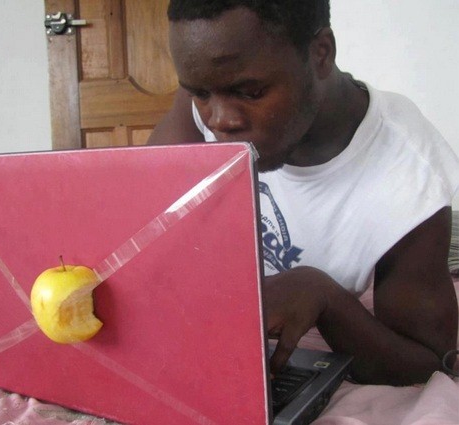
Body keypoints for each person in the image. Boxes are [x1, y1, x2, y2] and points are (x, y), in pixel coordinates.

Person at [148, 0, 459, 385]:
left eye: (250, 92)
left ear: (321, 53)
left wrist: (323, 297)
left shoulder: (410, 174)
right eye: (199, 93)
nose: (220, 121)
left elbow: (428, 361)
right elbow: (146, 216)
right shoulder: (212, 91)